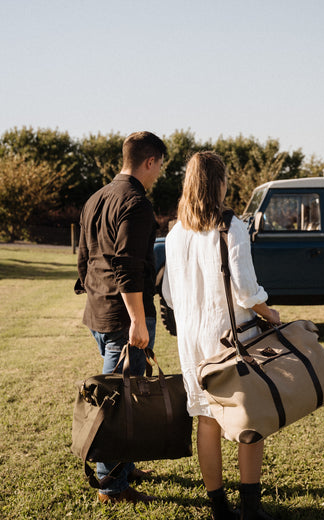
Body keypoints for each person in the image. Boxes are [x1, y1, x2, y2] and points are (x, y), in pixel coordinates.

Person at [162, 152, 281, 520]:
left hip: (192, 342)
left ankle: (219, 509)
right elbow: (246, 289)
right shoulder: (231, 225)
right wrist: (268, 311)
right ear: (220, 183)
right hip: (230, 338)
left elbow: (168, 294)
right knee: (251, 420)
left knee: (207, 420)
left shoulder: (174, 232)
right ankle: (250, 508)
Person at [75, 130, 167, 505]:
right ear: (149, 161)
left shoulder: (96, 197)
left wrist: (95, 295)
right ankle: (111, 485)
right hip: (124, 318)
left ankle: (123, 468)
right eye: (160, 166)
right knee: (117, 401)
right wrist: (138, 320)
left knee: (124, 396)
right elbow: (127, 265)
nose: (159, 173)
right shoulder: (136, 203)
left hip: (99, 313)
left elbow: (82, 257)